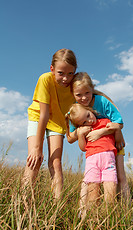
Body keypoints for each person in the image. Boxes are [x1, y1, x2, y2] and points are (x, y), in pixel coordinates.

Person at [67, 72, 130, 209]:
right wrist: (79, 132)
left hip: (114, 144)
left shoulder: (102, 102)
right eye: (79, 95)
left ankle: (126, 209)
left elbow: (119, 124)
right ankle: (83, 210)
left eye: (87, 93)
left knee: (120, 177)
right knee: (88, 180)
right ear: (73, 93)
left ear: (92, 89)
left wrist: (101, 132)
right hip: (95, 151)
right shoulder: (77, 109)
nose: (84, 98)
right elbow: (70, 137)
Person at [22, 48, 77, 200]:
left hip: (57, 122)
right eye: (61, 73)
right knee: (35, 159)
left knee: (56, 164)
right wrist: (37, 148)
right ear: (52, 69)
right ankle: (24, 202)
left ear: (75, 71)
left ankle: (56, 205)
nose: (65, 78)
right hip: (38, 116)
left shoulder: (75, 85)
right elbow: (44, 114)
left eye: (70, 73)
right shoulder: (45, 79)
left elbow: (91, 93)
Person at [65, 103, 119, 214]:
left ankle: (108, 216)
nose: (89, 121)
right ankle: (93, 218)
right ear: (80, 125)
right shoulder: (84, 130)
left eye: (88, 115)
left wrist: (110, 130)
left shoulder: (105, 121)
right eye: (84, 122)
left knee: (110, 189)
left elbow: (116, 129)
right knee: (92, 192)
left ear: (90, 110)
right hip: (92, 161)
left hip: (108, 160)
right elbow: (83, 148)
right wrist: (80, 135)